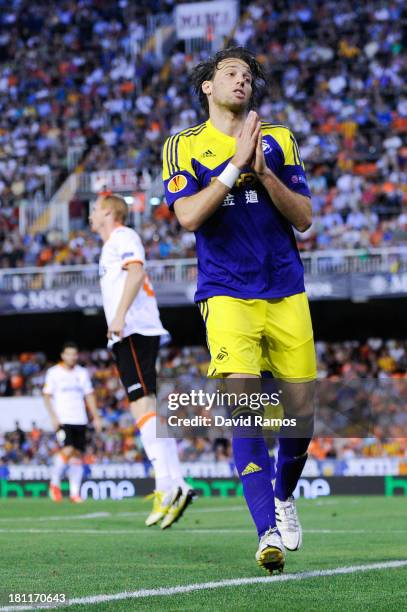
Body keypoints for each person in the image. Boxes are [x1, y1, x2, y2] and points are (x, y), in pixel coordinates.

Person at [162, 46, 317, 573]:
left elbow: (305, 219)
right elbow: (187, 217)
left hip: (286, 288)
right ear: (208, 86)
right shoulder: (182, 145)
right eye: (231, 73)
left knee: (302, 418)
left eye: (248, 75)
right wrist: (232, 169)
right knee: (244, 407)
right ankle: (265, 532)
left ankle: (283, 494)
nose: (242, 80)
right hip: (226, 292)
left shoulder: (279, 139)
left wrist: (263, 173)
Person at [89, 193, 194, 528]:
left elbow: (136, 273)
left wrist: (119, 317)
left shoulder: (123, 236)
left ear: (107, 211)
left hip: (134, 327)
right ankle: (173, 481)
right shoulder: (109, 245)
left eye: (94, 209)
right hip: (130, 330)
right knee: (142, 406)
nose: (91, 215)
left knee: (142, 403)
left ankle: (167, 483)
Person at [43, 341, 102, 503]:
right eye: (68, 354)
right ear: (63, 355)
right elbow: (47, 396)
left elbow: (89, 395)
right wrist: (53, 418)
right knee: (68, 449)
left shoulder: (82, 373)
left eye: (74, 354)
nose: (72, 357)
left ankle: (74, 493)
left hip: (80, 419)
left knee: (77, 455)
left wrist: (96, 417)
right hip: (63, 419)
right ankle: (54, 483)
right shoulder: (53, 373)